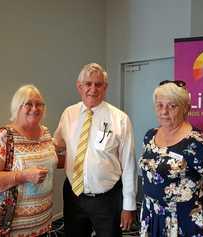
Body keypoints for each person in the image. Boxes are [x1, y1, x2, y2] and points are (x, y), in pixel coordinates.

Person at [139, 80, 203, 237]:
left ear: (185, 109)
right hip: (152, 217)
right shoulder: (150, 136)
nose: (164, 111)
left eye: (172, 106)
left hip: (186, 222)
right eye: (159, 105)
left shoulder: (200, 143)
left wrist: (192, 200)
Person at [53, 63, 137, 237]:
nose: (92, 89)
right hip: (74, 195)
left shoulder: (120, 119)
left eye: (98, 84)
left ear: (105, 88)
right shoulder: (69, 114)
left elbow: (129, 164)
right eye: (88, 84)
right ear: (79, 87)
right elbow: (57, 145)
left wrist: (129, 206)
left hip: (107, 199)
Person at [0, 85, 58, 236]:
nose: (34, 108)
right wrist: (23, 176)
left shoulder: (45, 133)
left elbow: (51, 161)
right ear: (17, 107)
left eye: (39, 104)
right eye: (28, 104)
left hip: (43, 222)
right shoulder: (4, 137)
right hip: (10, 227)